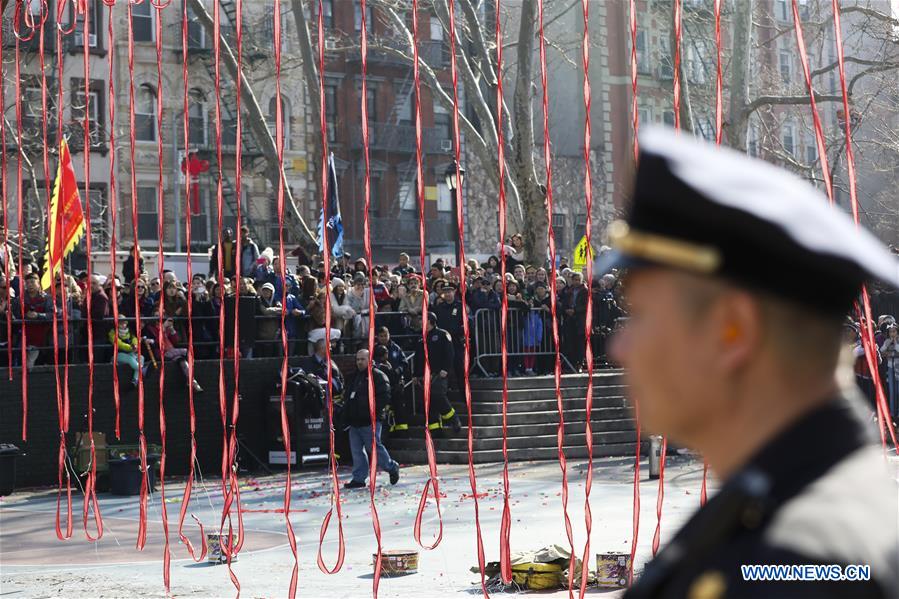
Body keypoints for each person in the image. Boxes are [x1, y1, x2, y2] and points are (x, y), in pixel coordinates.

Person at [607, 128, 898, 598]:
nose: (620, 348)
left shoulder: (796, 560)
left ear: (733, 330)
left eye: (640, 314)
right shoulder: (791, 514)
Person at [342, 349, 400, 489]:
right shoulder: (353, 377)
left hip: (370, 420)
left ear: (370, 360)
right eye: (358, 359)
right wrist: (347, 415)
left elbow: (384, 397)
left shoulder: (378, 376)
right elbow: (348, 397)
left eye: (362, 359)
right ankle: (359, 478)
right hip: (354, 420)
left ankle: (391, 467)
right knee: (356, 451)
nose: (359, 362)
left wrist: (372, 413)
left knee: (374, 448)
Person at [413, 312, 462, 432]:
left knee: (438, 396)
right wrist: (416, 375)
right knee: (429, 402)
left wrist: (446, 369)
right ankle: (435, 429)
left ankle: (454, 420)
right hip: (425, 376)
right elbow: (418, 358)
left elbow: (449, 353)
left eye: (422, 319)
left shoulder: (442, 334)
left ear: (430, 321)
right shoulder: (421, 338)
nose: (420, 322)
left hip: (439, 374)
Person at [376, 326, 409, 432]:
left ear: (389, 335)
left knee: (399, 406)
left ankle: (402, 431)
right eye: (381, 336)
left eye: (385, 335)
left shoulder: (396, 348)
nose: (383, 338)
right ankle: (388, 430)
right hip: (381, 384)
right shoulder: (374, 349)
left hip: (396, 383)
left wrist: (397, 371)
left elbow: (404, 363)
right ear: (377, 337)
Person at [160, 317, 203, 393]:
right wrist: (163, 328)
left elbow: (175, 341)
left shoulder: (166, 328)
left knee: (183, 362)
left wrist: (172, 330)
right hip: (163, 352)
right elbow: (157, 341)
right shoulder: (152, 328)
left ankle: (192, 381)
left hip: (172, 352)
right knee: (186, 351)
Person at [108, 319, 146, 389]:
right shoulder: (113, 332)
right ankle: (142, 370)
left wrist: (135, 345)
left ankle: (135, 380)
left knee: (141, 357)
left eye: (125, 323)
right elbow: (119, 344)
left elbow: (134, 339)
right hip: (116, 355)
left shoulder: (129, 332)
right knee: (130, 359)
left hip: (129, 354)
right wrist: (131, 347)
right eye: (121, 323)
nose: (123, 325)